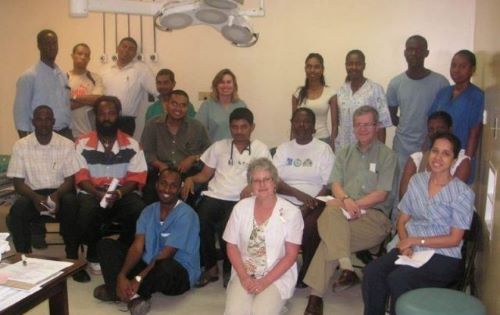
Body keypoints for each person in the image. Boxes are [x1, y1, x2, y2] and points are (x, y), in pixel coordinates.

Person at [362, 132, 475, 315]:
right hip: (412, 249)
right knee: (373, 272)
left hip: (443, 255)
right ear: (428, 153)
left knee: (398, 279)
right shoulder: (417, 181)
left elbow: (454, 239)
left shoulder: (462, 193)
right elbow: (403, 219)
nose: (438, 158)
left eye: (446, 154)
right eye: (435, 151)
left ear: (454, 160)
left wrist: (415, 241)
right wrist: (406, 243)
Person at [303, 106, 397, 315]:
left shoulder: (387, 156)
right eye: (358, 125)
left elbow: (381, 194)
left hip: (374, 217)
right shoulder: (344, 153)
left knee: (330, 236)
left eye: (367, 124)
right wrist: (346, 200)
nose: (362, 129)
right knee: (330, 214)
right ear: (353, 128)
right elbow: (335, 184)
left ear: (376, 126)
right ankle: (346, 268)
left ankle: (314, 298)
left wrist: (354, 204)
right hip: (343, 212)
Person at [181, 107, 271, 288]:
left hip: (241, 198)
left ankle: (231, 268)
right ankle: (211, 267)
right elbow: (205, 175)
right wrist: (190, 178)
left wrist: (251, 186)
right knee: (200, 220)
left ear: (252, 127)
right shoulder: (219, 146)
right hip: (215, 194)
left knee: (227, 227)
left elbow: (267, 177)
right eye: (234, 127)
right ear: (230, 127)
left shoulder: (260, 149)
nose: (239, 131)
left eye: (243, 127)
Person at [93, 168, 200, 315]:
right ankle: (130, 295)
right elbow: (137, 247)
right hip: (148, 264)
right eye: (163, 183)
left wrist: (138, 278)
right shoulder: (148, 211)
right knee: (106, 245)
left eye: (173, 185)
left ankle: (120, 292)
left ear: (180, 188)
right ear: (156, 185)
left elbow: (167, 254)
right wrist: (122, 275)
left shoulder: (187, 215)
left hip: (178, 271)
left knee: (165, 267)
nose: (167, 189)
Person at [6, 105, 90, 282]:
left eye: (47, 119)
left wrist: (56, 195)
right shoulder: (21, 146)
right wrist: (36, 198)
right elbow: (18, 183)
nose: (43, 123)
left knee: (72, 204)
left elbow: (70, 179)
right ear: (33, 121)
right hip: (31, 194)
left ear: (53, 122)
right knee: (18, 210)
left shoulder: (66, 144)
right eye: (39, 119)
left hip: (61, 192)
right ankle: (24, 260)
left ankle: (72, 259)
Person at [75, 96, 147, 276]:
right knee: (86, 212)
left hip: (122, 192)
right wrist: (98, 193)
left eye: (111, 114)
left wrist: (119, 193)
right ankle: (93, 253)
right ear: (95, 117)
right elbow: (80, 175)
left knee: (138, 210)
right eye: (102, 114)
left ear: (119, 116)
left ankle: (121, 247)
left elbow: (136, 177)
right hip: (92, 192)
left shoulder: (132, 144)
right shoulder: (82, 143)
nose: (106, 118)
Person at [223, 158, 304, 315]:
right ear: (250, 185)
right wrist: (244, 277)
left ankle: (279, 303)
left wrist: (264, 281)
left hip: (276, 275)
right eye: (256, 181)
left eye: (266, 179)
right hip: (245, 271)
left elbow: (291, 255)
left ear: (274, 182)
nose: (262, 185)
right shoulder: (240, 208)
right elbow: (231, 246)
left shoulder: (292, 213)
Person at [272, 107, 335, 287]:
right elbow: (273, 180)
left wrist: (309, 205)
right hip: (285, 199)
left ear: (314, 127)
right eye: (297, 121)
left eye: (307, 122)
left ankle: (307, 271)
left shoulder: (323, 149)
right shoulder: (283, 149)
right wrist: (298, 195)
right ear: (292, 125)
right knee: (274, 222)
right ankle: (275, 267)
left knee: (309, 228)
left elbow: (328, 185)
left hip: (316, 201)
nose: (302, 125)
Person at [387, 35, 449, 171]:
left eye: (418, 50)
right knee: (400, 187)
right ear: (405, 53)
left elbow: (445, 118)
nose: (413, 53)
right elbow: (391, 115)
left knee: (427, 187)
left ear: (426, 53)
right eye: (410, 49)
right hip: (402, 147)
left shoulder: (441, 83)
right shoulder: (396, 83)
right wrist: (407, 125)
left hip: (431, 146)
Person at [141, 90, 210, 205]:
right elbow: (146, 152)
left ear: (187, 108)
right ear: (167, 104)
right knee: (150, 194)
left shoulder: (197, 127)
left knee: (190, 195)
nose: (178, 109)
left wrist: (193, 158)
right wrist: (160, 165)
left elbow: (209, 152)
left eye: (183, 105)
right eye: (174, 104)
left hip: (187, 172)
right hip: (159, 170)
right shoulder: (153, 124)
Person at [429, 50, 484, 184]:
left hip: (460, 155)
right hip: (439, 153)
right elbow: (430, 123)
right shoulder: (443, 92)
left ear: (473, 69)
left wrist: (467, 161)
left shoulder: (477, 96)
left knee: (454, 194)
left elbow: (474, 132)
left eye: (462, 66)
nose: (456, 70)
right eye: (454, 65)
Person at [13, 29, 72, 140]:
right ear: (39, 46)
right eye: (47, 43)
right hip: (41, 136)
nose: (52, 47)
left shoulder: (62, 76)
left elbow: (66, 107)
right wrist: (25, 144)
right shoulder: (29, 76)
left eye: (54, 43)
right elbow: (21, 114)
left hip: (65, 134)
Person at [399, 111, 471, 200]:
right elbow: (404, 197)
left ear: (450, 129)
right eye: (431, 129)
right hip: (415, 212)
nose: (435, 132)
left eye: (440, 129)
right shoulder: (416, 159)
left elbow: (451, 196)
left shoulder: (462, 161)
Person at [333, 50, 392, 151]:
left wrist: (380, 152)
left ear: (364, 66)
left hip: (368, 149)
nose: (354, 67)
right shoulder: (341, 91)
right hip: (344, 150)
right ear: (346, 66)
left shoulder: (375, 89)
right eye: (350, 64)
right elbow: (339, 123)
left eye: (358, 64)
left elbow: (381, 125)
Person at [100, 37, 156, 136]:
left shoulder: (141, 69)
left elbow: (157, 90)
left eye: (131, 49)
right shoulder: (104, 70)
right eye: (124, 46)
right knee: (102, 150)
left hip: (125, 122)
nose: (126, 50)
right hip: (104, 119)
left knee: (123, 150)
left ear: (135, 54)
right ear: (117, 49)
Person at [291, 53, 336, 147]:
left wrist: (332, 144)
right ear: (305, 69)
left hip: (323, 139)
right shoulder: (298, 93)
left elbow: (335, 125)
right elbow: (293, 124)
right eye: (309, 66)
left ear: (322, 69)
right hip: (301, 140)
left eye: (316, 67)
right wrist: (291, 143)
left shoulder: (331, 93)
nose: (312, 70)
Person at [195, 68, 247, 142]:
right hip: (214, 151)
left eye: (229, 82)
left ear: (234, 85)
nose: (225, 85)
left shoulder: (241, 105)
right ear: (216, 85)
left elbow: (246, 129)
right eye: (222, 82)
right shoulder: (207, 106)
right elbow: (197, 130)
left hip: (236, 150)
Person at [68, 43, 104, 138]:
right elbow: (63, 105)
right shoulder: (64, 78)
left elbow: (97, 100)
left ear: (89, 59)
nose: (83, 57)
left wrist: (72, 97)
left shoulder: (95, 78)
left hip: (90, 133)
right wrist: (88, 100)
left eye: (87, 55)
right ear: (72, 56)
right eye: (80, 53)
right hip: (68, 133)